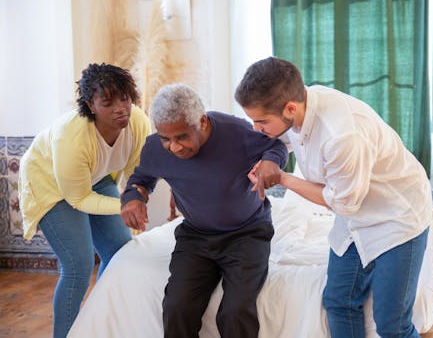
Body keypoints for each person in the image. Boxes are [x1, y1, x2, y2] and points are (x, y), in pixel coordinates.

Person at [235, 57, 433, 338]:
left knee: (392, 324)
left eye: (261, 121)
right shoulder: (302, 105)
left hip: (398, 217)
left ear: (290, 108)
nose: (257, 128)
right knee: (338, 302)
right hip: (355, 216)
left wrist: (282, 178)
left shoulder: (342, 135)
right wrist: (267, 158)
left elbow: (342, 202)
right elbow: (283, 140)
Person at [120, 83, 288, 338]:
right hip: (196, 236)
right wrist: (133, 198)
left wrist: (270, 162)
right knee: (177, 307)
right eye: (166, 138)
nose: (174, 147)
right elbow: (140, 179)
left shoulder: (236, 132)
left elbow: (276, 146)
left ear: (202, 122)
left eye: (182, 137)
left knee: (235, 311)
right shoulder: (155, 147)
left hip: (246, 233)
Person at [18, 63, 151, 338]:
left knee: (119, 253)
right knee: (78, 266)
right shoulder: (72, 137)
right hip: (50, 184)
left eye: (125, 98)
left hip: (95, 175)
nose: (121, 109)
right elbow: (77, 198)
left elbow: (138, 172)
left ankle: (96, 326)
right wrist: (124, 205)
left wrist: (136, 197)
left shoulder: (137, 121)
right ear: (91, 105)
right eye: (108, 102)